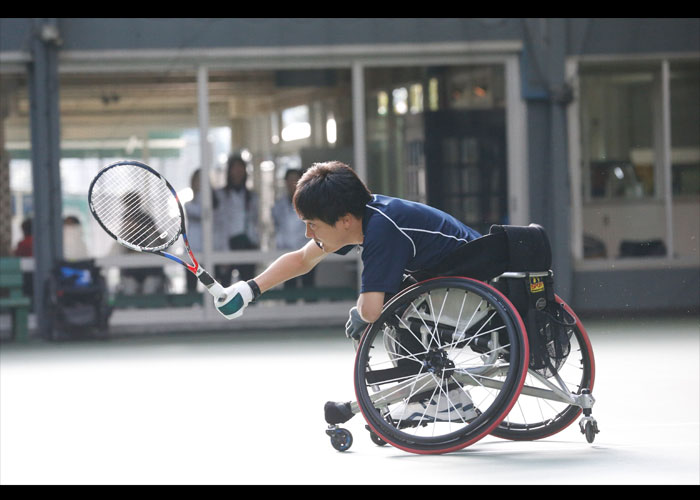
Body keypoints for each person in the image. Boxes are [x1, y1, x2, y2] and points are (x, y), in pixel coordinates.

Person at [217, 161, 511, 425]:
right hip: (465, 290)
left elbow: (370, 310)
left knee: (385, 310)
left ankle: (440, 398)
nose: (308, 234)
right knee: (392, 304)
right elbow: (303, 259)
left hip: (478, 301)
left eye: (312, 225)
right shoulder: (368, 217)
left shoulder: (384, 230)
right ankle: (434, 395)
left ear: (344, 220)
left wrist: (360, 315)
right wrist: (248, 290)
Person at [213, 154, 260, 286]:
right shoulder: (220, 195)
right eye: (235, 169)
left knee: (248, 285)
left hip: (247, 244)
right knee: (224, 286)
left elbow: (255, 222)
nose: (238, 173)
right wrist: (222, 248)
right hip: (226, 244)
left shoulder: (251, 196)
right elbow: (219, 224)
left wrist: (255, 242)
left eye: (241, 169)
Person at [271, 168, 315, 298]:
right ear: (285, 183)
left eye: (296, 180)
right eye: (290, 180)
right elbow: (278, 228)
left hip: (307, 251)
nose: (293, 183)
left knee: (308, 287)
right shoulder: (278, 206)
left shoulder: (309, 203)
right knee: (289, 289)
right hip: (286, 252)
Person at [184, 168, 218, 293]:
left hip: (210, 249)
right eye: (198, 181)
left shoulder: (215, 203)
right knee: (191, 288)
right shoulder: (189, 205)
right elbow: (202, 213)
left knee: (212, 288)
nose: (200, 184)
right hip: (192, 252)